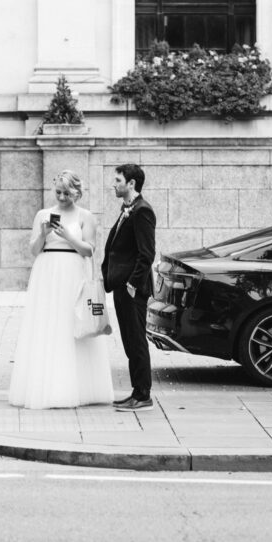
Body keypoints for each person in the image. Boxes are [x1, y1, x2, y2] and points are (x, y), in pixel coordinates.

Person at [8, 170, 114, 409]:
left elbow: (89, 250)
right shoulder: (43, 215)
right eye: (58, 192)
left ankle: (81, 387)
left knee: (72, 323)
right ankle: (47, 385)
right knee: (48, 324)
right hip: (47, 271)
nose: (62, 197)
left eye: (67, 193)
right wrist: (43, 234)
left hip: (73, 271)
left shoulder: (85, 216)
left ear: (77, 193)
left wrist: (68, 236)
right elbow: (34, 250)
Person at [102, 163, 156, 412]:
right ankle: (136, 391)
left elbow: (147, 254)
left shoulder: (142, 211)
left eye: (118, 180)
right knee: (129, 340)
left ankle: (143, 395)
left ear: (131, 183)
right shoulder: (128, 209)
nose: (114, 184)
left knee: (136, 341)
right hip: (122, 287)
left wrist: (133, 284)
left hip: (132, 289)